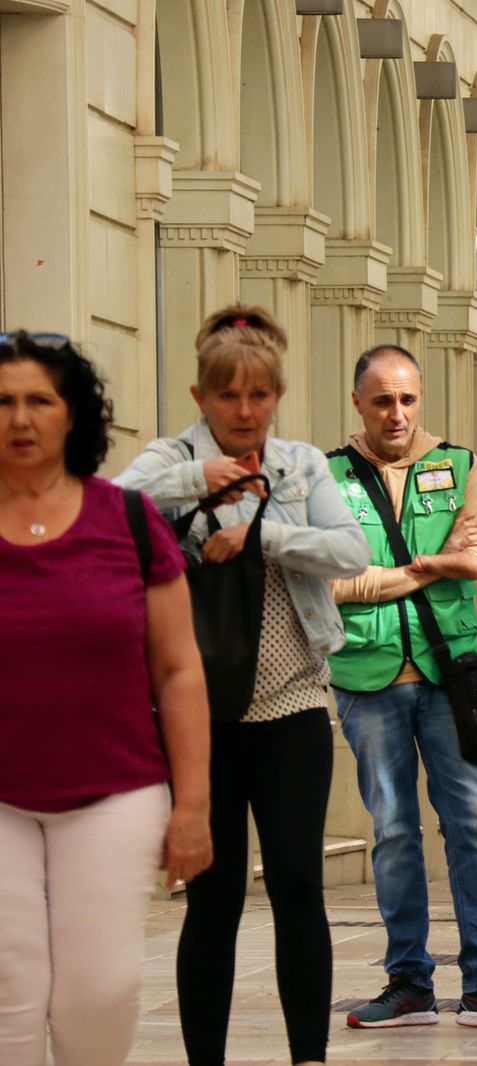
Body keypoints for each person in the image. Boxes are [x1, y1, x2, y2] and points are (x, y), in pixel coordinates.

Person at [116, 306, 369, 1066]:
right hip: (201, 719)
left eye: (260, 395)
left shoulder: (300, 466)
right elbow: (111, 506)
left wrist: (264, 533)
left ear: (277, 395)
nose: (245, 411)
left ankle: (308, 1058)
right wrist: (199, 479)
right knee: (214, 898)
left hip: (292, 708)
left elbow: (351, 552)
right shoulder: (169, 460)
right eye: (229, 395)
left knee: (298, 885)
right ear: (201, 394)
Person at [0, 333, 212, 1066]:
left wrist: (192, 806)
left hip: (114, 793)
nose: (19, 418)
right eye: (2, 401)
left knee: (101, 990)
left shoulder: (124, 519)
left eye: (38, 400)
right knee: (8, 991)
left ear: (72, 416)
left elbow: (180, 669)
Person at [326, 344, 477, 1029]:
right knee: (393, 832)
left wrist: (399, 575)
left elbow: (476, 560)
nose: (397, 413)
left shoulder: (460, 465)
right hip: (368, 677)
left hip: (449, 674)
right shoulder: (329, 478)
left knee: (472, 826)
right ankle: (409, 984)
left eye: (408, 399)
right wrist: (426, 569)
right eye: (383, 400)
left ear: (422, 399)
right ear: (358, 402)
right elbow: (327, 583)